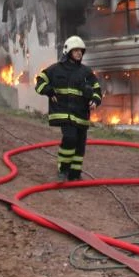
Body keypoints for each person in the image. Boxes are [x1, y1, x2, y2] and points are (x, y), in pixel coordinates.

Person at [35, 35, 102, 181]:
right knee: (70, 138)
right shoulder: (55, 69)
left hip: (81, 116)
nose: (79, 53)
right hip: (63, 113)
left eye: (81, 51)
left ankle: (75, 174)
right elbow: (40, 81)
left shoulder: (86, 72)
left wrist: (95, 100)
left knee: (80, 146)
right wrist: (48, 90)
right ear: (68, 51)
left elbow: (97, 90)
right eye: (76, 50)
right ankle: (63, 170)